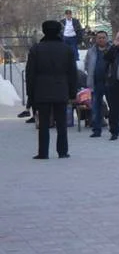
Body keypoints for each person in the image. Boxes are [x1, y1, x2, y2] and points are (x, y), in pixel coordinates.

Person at [27, 20, 77, 160]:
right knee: (62, 123)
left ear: (44, 31)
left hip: (41, 90)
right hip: (61, 88)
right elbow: (72, 72)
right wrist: (72, 92)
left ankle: (43, 152)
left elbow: (30, 74)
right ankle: (62, 151)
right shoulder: (66, 49)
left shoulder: (36, 49)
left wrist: (30, 95)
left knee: (43, 123)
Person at [83, 30, 110, 138]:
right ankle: (96, 130)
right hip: (96, 83)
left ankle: (114, 129)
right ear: (96, 39)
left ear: (107, 38)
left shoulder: (112, 49)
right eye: (99, 38)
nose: (101, 39)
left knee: (113, 106)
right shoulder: (91, 51)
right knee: (96, 107)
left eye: (103, 37)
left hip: (109, 83)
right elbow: (86, 65)